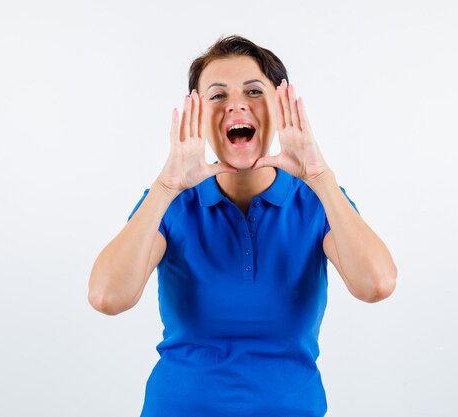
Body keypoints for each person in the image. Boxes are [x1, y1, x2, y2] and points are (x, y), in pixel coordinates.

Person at [88, 35, 397, 417]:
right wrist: (165, 186)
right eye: (217, 96)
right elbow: (106, 297)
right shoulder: (172, 203)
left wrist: (320, 176)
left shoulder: (317, 200)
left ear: (279, 108)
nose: (236, 103)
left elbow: (376, 285)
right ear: (198, 116)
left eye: (253, 91)